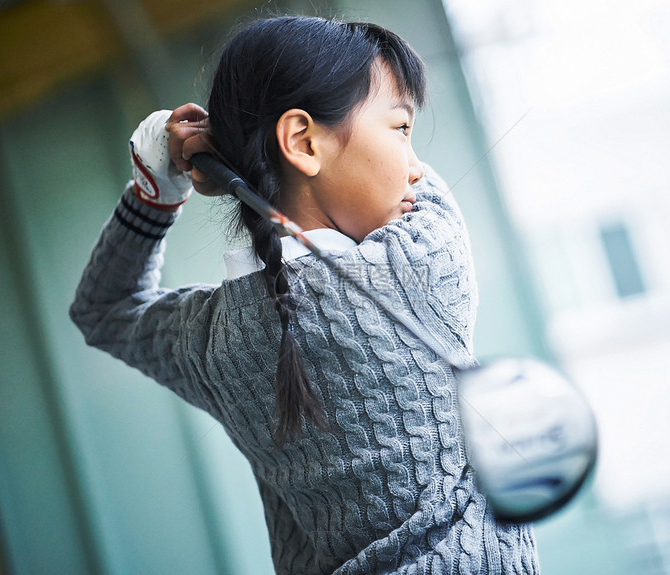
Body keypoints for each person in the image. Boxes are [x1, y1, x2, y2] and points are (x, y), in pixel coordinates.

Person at [71, 15, 540, 574]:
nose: (414, 167)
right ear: (301, 140)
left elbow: (105, 306)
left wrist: (158, 187)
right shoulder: (417, 262)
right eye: (401, 129)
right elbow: (431, 196)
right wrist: (241, 148)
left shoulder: (213, 343)